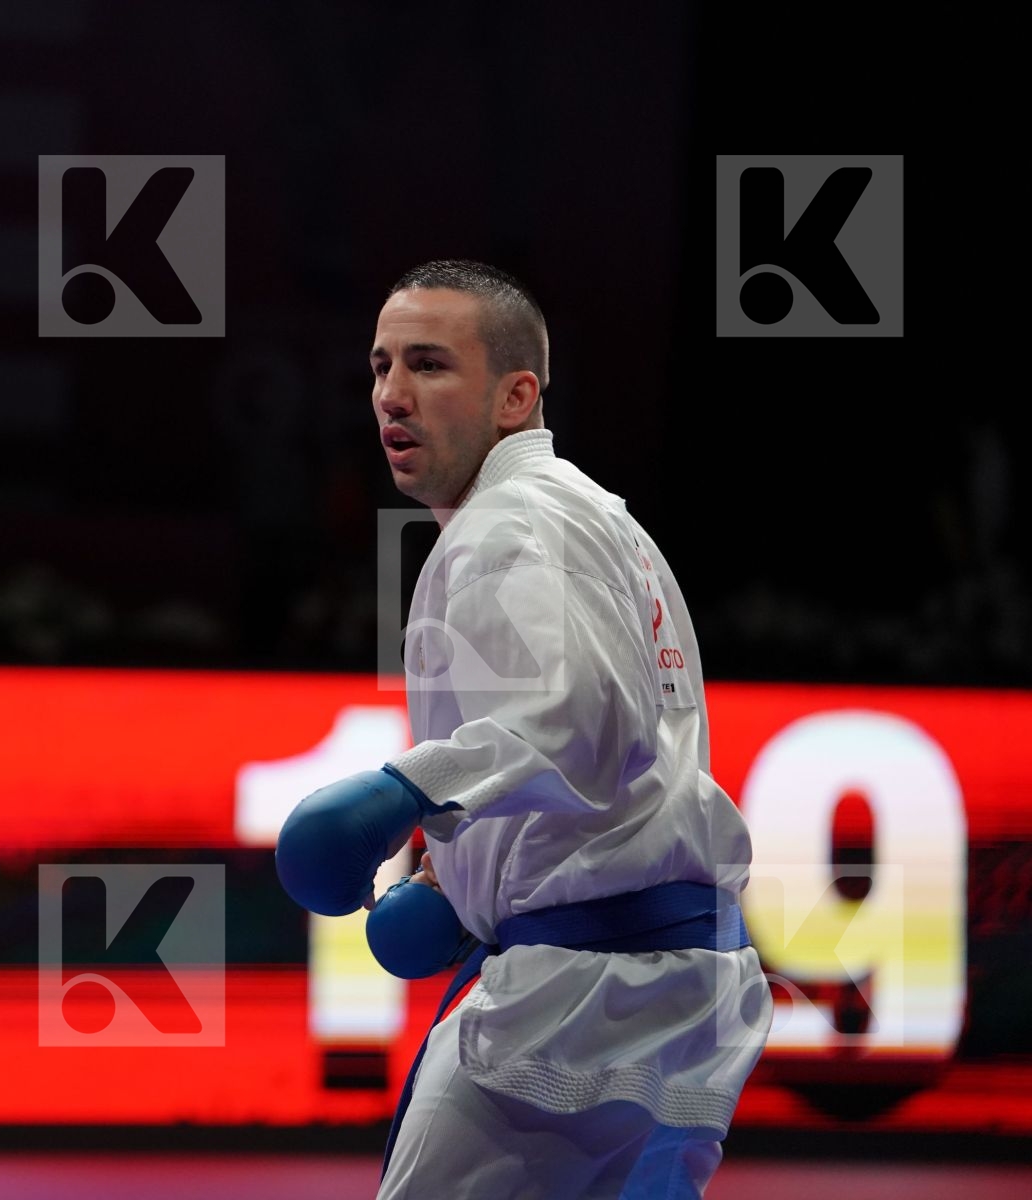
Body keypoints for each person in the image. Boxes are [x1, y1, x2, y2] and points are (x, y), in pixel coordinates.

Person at [275, 260, 771, 1198]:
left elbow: (580, 712)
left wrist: (401, 792)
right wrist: (460, 881)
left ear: (515, 396)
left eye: (428, 364)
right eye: (380, 367)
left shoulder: (509, 526)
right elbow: (624, 749)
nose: (392, 393)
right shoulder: (596, 515)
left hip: (579, 995)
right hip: (686, 984)